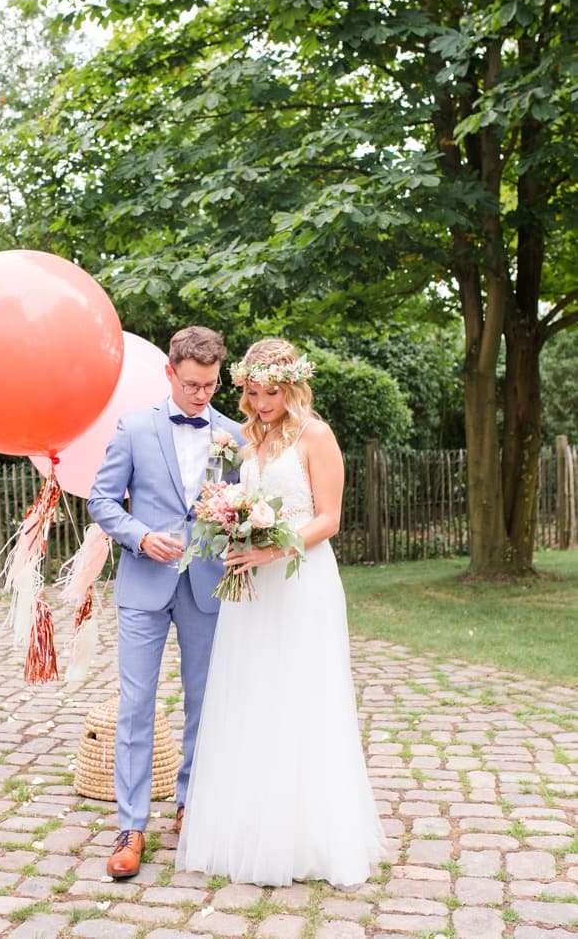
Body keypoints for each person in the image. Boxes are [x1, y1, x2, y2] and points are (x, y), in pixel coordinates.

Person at [177, 339, 388, 887]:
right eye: (253, 392)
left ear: (292, 387)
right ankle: (250, 828)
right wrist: (229, 529)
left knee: (301, 695)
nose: (263, 402)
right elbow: (237, 505)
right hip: (251, 588)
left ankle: (306, 836)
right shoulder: (248, 440)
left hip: (301, 583)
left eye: (273, 392)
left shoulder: (315, 435)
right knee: (252, 696)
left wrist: (272, 549)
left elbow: (330, 519)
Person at [86, 326, 245, 879]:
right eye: (191, 384)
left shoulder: (235, 436)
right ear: (170, 373)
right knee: (136, 705)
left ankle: (189, 805)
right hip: (144, 584)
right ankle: (131, 825)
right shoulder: (133, 427)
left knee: (206, 701)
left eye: (210, 384)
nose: (201, 394)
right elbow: (101, 500)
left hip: (207, 587)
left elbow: (245, 507)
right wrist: (139, 535)